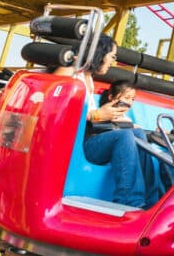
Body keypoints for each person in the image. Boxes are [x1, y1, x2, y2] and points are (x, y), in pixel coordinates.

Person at [54, 35, 159, 209]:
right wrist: (96, 115)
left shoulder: (87, 78)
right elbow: (55, 104)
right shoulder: (70, 72)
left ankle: (151, 202)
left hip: (87, 136)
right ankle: (129, 201)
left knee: (138, 134)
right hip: (75, 142)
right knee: (124, 136)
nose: (112, 61)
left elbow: (90, 115)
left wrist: (104, 116)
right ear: (100, 53)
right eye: (112, 55)